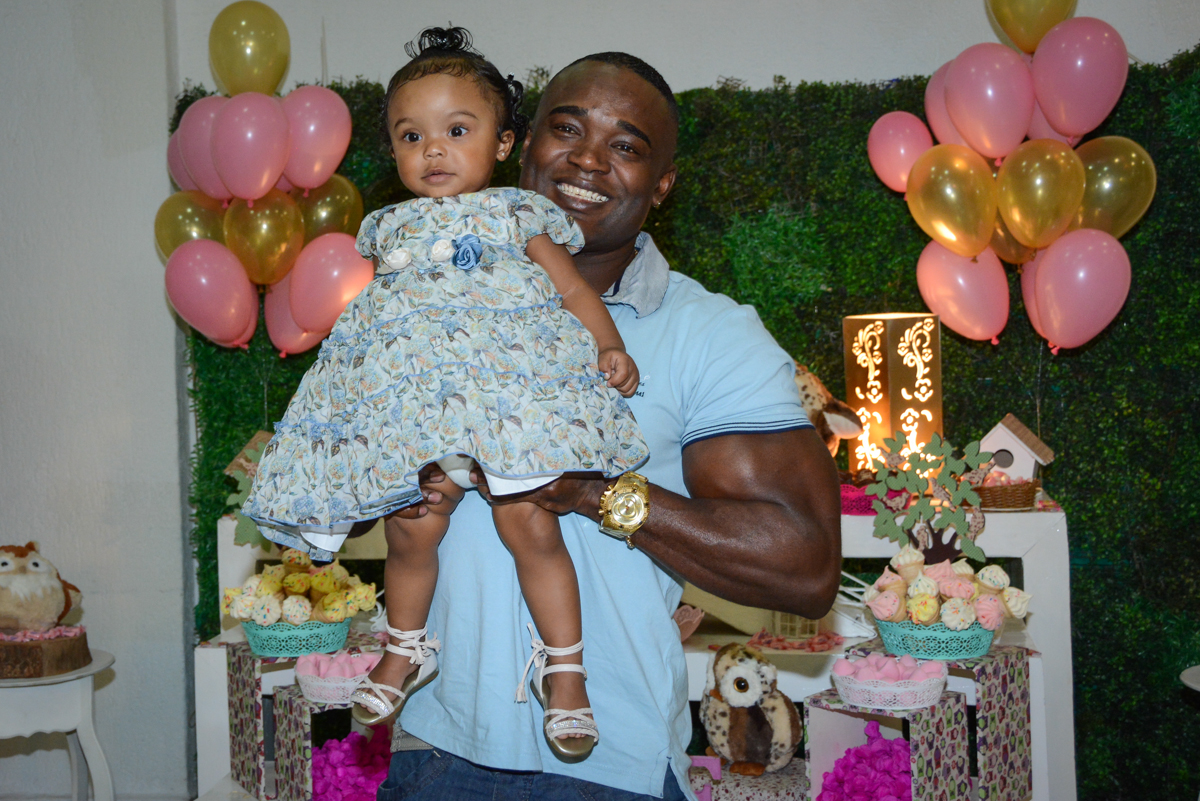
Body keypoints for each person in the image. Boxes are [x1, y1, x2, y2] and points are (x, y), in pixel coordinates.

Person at [374, 52, 843, 801]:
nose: (588, 158)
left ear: (662, 186)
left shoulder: (709, 333)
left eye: (625, 146)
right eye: (566, 130)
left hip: (605, 766)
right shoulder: (426, 294)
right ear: (520, 147)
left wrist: (591, 490)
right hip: (433, 745)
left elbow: (805, 563)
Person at [241, 28, 652, 758]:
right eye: (412, 135)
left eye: (456, 131)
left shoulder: (513, 216)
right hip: (424, 420)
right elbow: (381, 335)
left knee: (528, 524)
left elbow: (569, 290)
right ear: (394, 151)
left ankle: (566, 669)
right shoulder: (387, 230)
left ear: (502, 143)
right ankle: (405, 649)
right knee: (411, 526)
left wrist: (608, 346)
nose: (433, 150)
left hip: (507, 413)